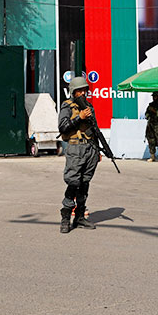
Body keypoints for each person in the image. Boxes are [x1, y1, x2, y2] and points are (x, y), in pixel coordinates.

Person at [57, 76, 99, 233]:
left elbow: (94, 130)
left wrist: (98, 150)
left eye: (84, 90)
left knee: (85, 183)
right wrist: (78, 118)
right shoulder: (67, 106)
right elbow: (63, 127)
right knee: (73, 183)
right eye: (79, 90)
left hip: (90, 149)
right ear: (73, 92)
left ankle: (80, 217)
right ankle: (66, 218)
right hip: (75, 150)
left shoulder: (89, 107)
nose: (82, 93)